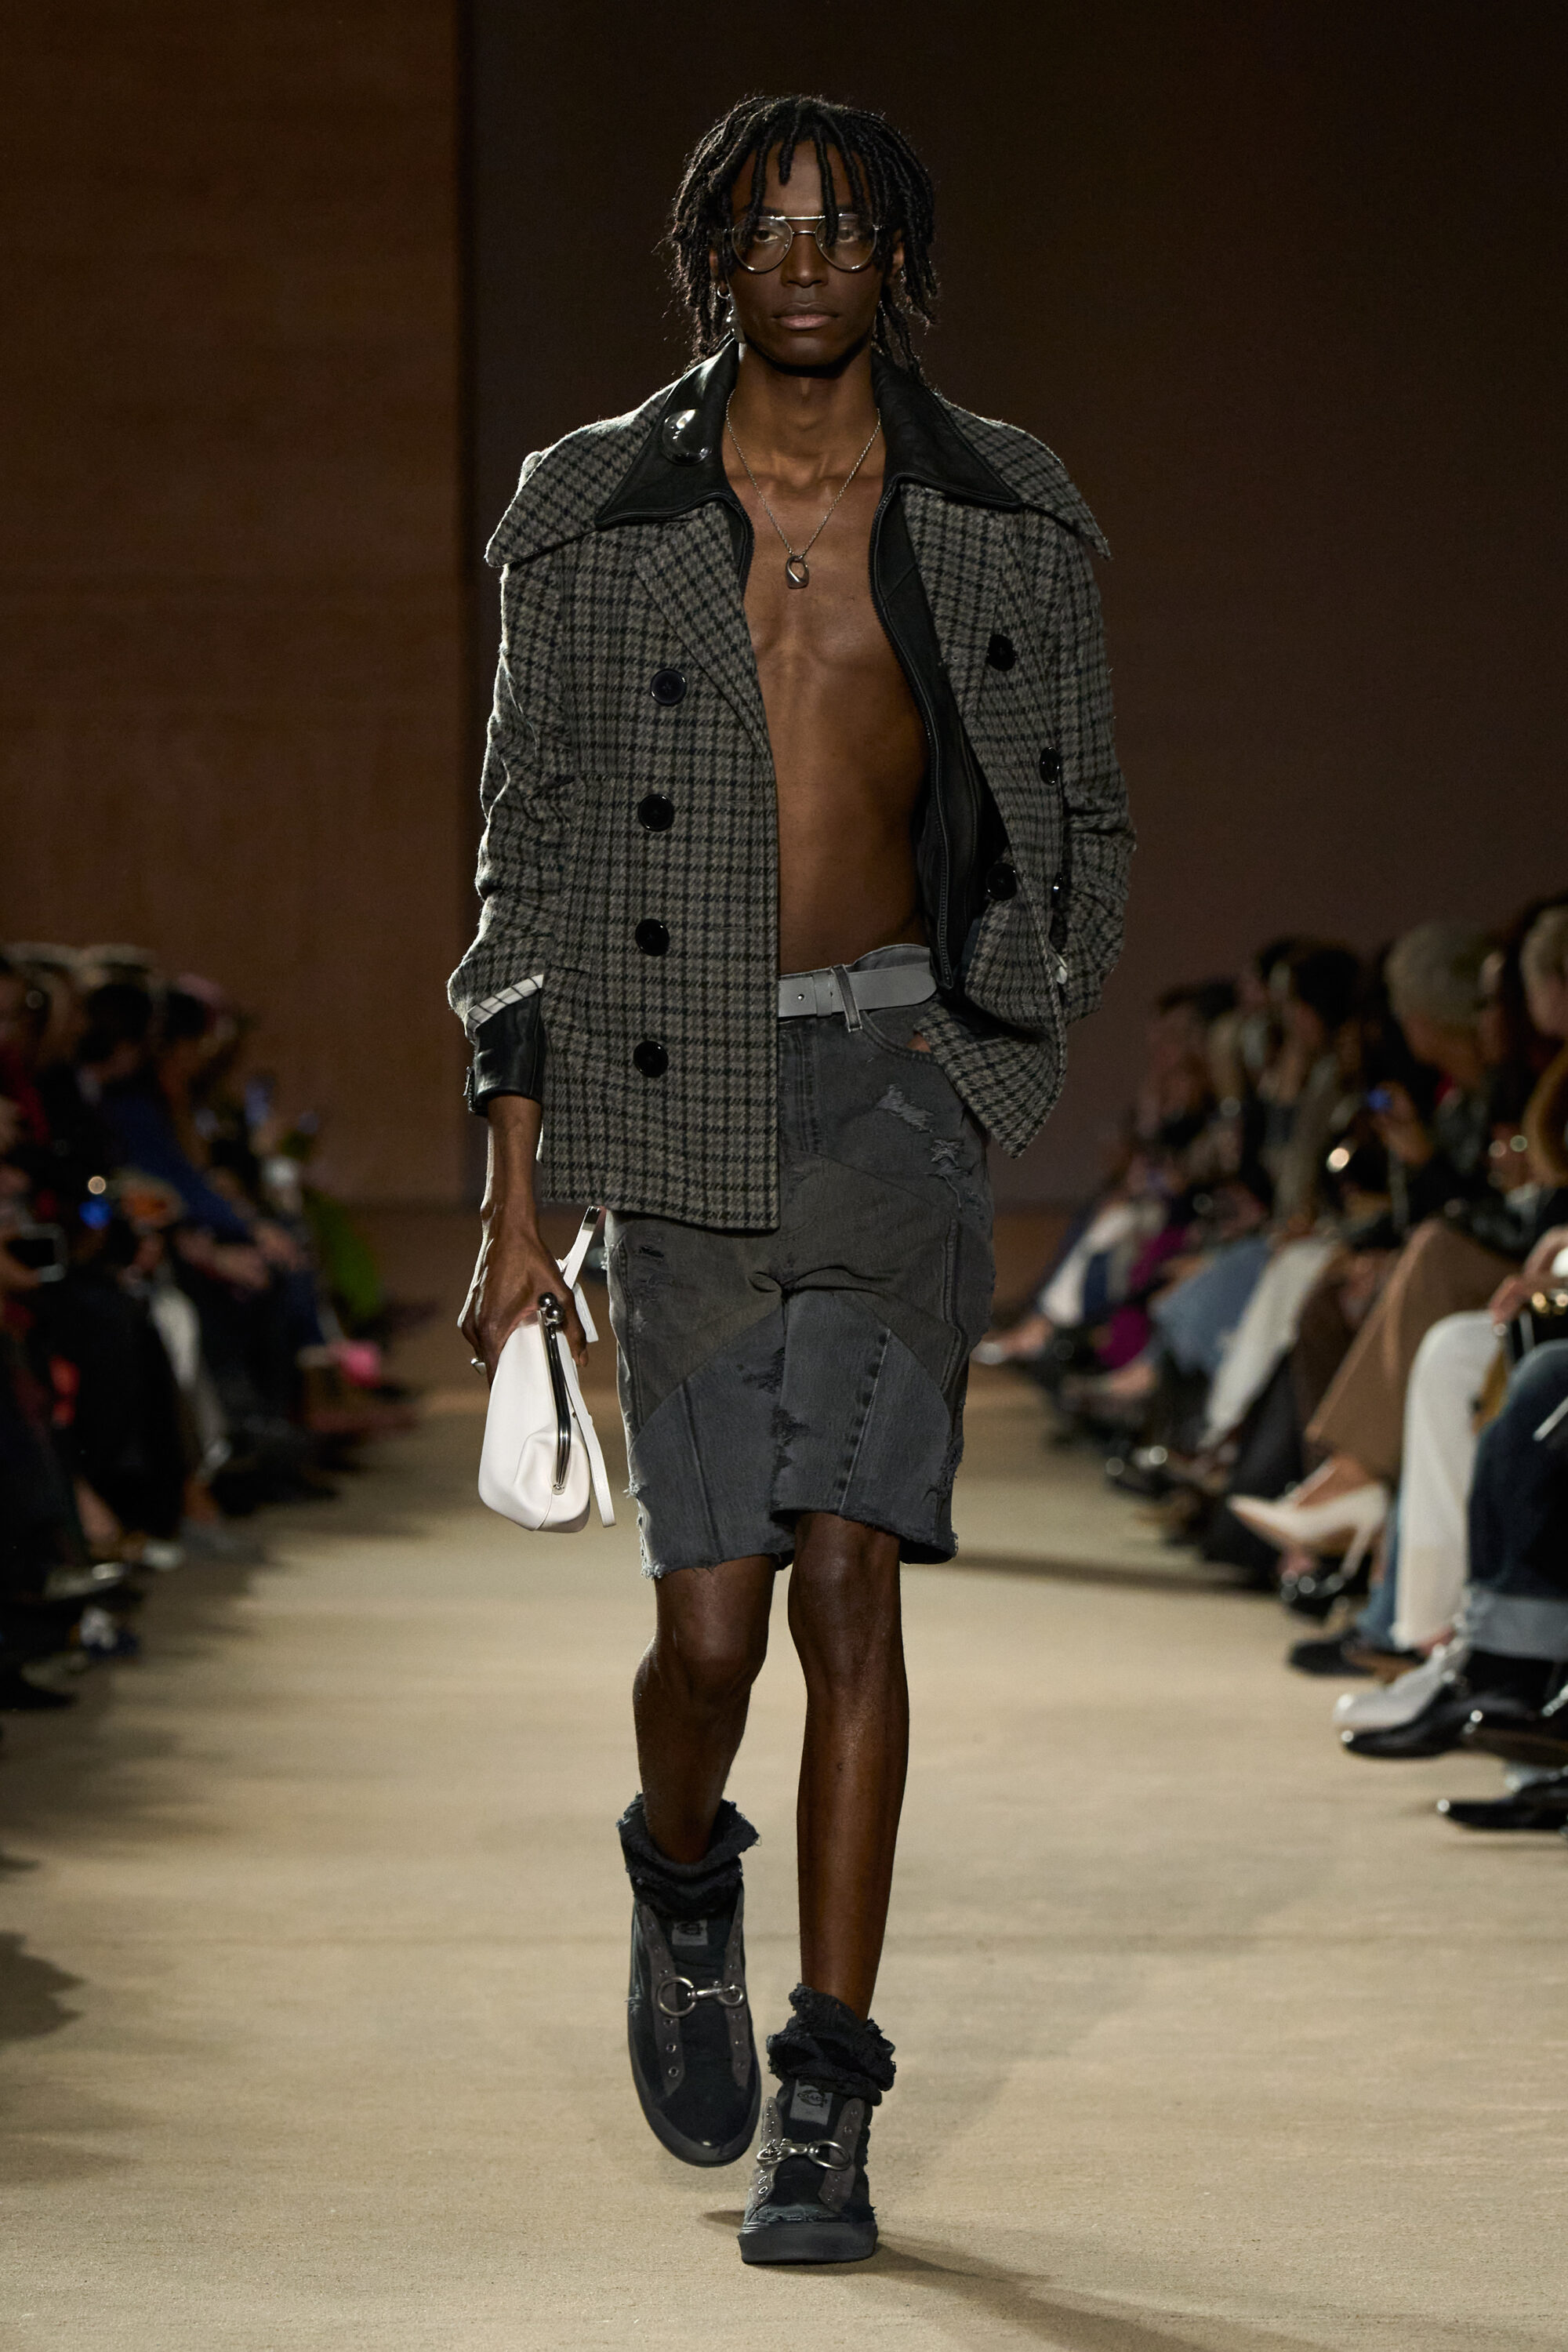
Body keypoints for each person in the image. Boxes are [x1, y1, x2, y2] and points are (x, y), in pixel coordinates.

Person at [451, 95, 1131, 2265]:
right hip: (672, 1099)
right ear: (712, 261)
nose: (810, 260)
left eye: (845, 228)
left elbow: (1085, 823)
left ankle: (828, 2096)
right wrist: (513, 1199)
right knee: (711, 1629)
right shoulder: (591, 509)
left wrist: (987, 1054)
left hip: (892, 1089)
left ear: (897, 256)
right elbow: (527, 854)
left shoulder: (1004, 507)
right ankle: (681, 1869)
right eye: (769, 228)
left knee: (852, 1582)